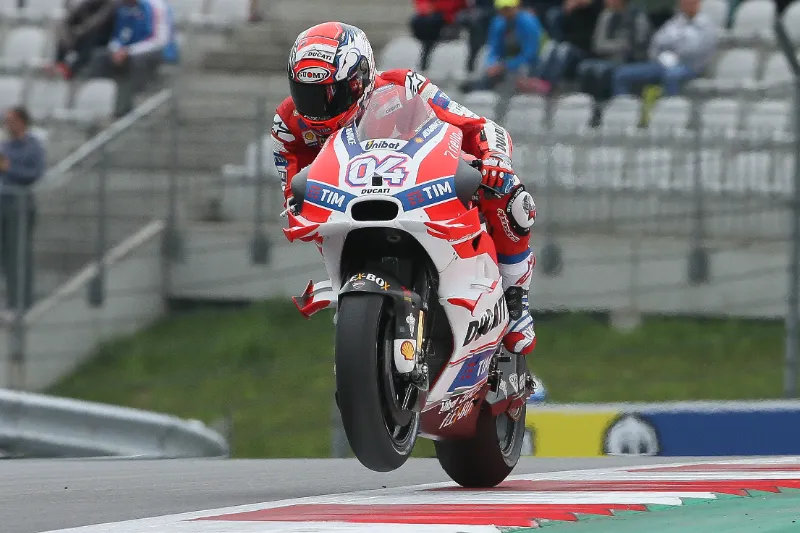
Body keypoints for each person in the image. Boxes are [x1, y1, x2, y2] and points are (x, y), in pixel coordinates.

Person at [273, 22, 537, 357]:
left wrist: (495, 159)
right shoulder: (287, 123)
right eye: (305, 94)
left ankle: (515, 297)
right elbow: (292, 187)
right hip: (346, 206)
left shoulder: (404, 84)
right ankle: (358, 320)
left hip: (416, 189)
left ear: (360, 80)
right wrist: (296, 203)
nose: (317, 107)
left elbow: (478, 125)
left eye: (331, 93)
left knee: (513, 197)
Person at [84, 0, 174, 117]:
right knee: (99, 56)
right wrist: (116, 50)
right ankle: (94, 107)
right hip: (127, 51)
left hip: (155, 52)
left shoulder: (156, 6)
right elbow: (118, 35)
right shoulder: (123, 7)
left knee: (136, 62)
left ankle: (132, 105)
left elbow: (159, 40)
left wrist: (129, 51)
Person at [611, 0, 717, 97]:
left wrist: (673, 45)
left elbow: (696, 50)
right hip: (662, 63)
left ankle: (669, 113)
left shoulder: (706, 26)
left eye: (688, 2)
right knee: (622, 73)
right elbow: (657, 41)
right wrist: (671, 48)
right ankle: (624, 112)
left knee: (671, 75)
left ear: (697, 4)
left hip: (690, 67)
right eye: (683, 2)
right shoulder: (675, 21)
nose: (685, 4)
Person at [0, 107, 46, 313]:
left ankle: (22, 302)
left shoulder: (32, 146)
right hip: (2, 201)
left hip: (19, 204)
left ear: (21, 121)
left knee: (18, 253)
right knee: (4, 254)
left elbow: (35, 174)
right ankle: (10, 300)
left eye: (10, 120)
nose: (6, 124)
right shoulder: (5, 146)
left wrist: (10, 169)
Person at [460, 0, 544, 94]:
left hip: (529, 64)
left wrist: (505, 66)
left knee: (518, 72)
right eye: (502, 9)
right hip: (506, 62)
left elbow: (530, 54)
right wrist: (493, 64)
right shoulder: (498, 23)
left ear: (517, 7)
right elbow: (494, 49)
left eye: (508, 8)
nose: (505, 12)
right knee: (487, 63)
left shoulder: (529, 23)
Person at [575, 0, 651, 101]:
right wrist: (619, 45)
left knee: (600, 70)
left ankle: (601, 105)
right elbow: (598, 45)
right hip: (605, 58)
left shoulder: (637, 17)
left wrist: (615, 46)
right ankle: (585, 103)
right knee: (584, 67)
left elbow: (638, 44)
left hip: (628, 60)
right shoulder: (605, 16)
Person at [47, 0, 119, 80]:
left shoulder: (112, 3)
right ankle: (59, 64)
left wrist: (79, 31)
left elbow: (99, 20)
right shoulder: (90, 2)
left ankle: (71, 71)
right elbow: (77, 12)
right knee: (64, 33)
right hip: (85, 33)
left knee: (90, 40)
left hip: (102, 36)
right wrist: (69, 27)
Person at [409, 0, 467, 71]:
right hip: (432, 17)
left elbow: (459, 6)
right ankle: (423, 64)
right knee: (418, 21)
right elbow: (422, 5)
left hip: (447, 18)